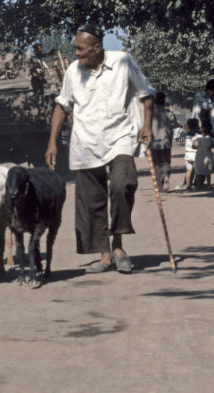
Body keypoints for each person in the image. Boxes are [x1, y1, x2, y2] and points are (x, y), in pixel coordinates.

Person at [45, 24, 154, 275]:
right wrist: (52, 142)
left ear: (97, 47)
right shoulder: (73, 71)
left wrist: (146, 124)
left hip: (121, 137)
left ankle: (118, 246)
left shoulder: (123, 61)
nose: (77, 54)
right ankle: (105, 255)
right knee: (90, 201)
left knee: (122, 184)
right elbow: (62, 105)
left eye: (81, 49)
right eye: (75, 49)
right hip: (85, 140)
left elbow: (146, 93)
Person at [149, 92, 178, 192]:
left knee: (156, 164)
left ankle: (160, 186)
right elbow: (174, 122)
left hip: (154, 143)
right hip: (166, 141)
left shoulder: (151, 112)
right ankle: (166, 176)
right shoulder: (168, 112)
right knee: (166, 161)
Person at [193, 120, 214, 188]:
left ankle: (198, 184)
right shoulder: (210, 138)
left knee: (198, 168)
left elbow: (193, 146)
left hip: (199, 153)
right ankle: (208, 184)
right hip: (208, 153)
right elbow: (213, 145)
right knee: (208, 169)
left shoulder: (197, 138)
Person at [181, 118, 199, 190]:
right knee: (197, 170)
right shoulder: (197, 135)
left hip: (188, 154)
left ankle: (188, 184)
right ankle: (197, 184)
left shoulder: (186, 135)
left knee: (189, 170)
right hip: (195, 154)